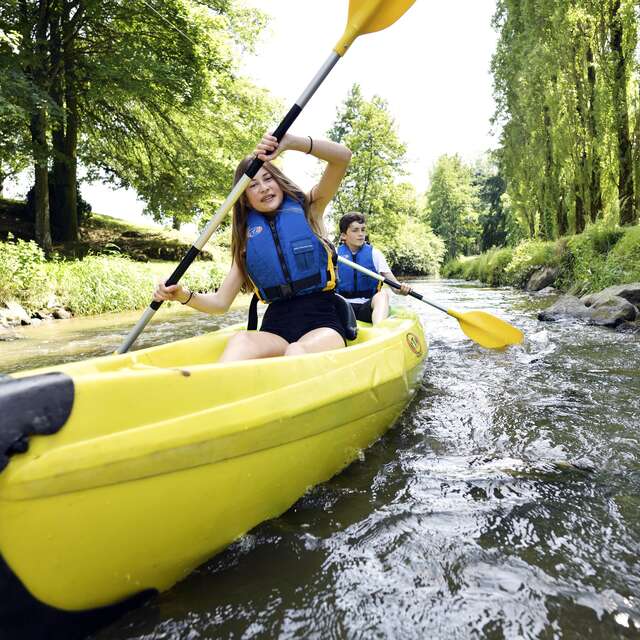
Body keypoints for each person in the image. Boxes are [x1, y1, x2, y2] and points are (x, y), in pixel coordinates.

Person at [153, 132, 352, 362]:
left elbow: (342, 158)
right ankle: (217, 392)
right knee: (240, 341)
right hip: (275, 327)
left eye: (268, 179)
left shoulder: (310, 210)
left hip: (321, 322)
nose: (264, 188)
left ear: (279, 180)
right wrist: (181, 294)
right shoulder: (246, 242)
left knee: (297, 351)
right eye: (253, 185)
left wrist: (290, 143)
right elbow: (220, 303)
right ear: (245, 198)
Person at [336, 212, 411, 324]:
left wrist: (402, 289)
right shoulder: (335, 255)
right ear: (343, 235)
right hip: (342, 307)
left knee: (383, 295)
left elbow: (395, 287)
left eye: (363, 229)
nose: (361, 234)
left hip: (367, 307)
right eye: (355, 230)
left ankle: (379, 330)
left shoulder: (375, 254)